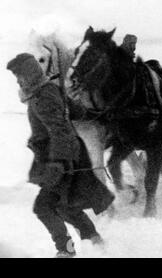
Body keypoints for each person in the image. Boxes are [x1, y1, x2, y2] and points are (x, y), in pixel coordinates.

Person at [6, 53, 114, 258]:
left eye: (19, 76)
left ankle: (65, 249)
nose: (18, 81)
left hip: (61, 158)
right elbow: (76, 112)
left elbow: (59, 129)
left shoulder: (42, 97)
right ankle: (96, 242)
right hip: (65, 156)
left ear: (29, 74)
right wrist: (95, 115)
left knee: (43, 207)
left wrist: (58, 164)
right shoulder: (49, 90)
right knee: (66, 207)